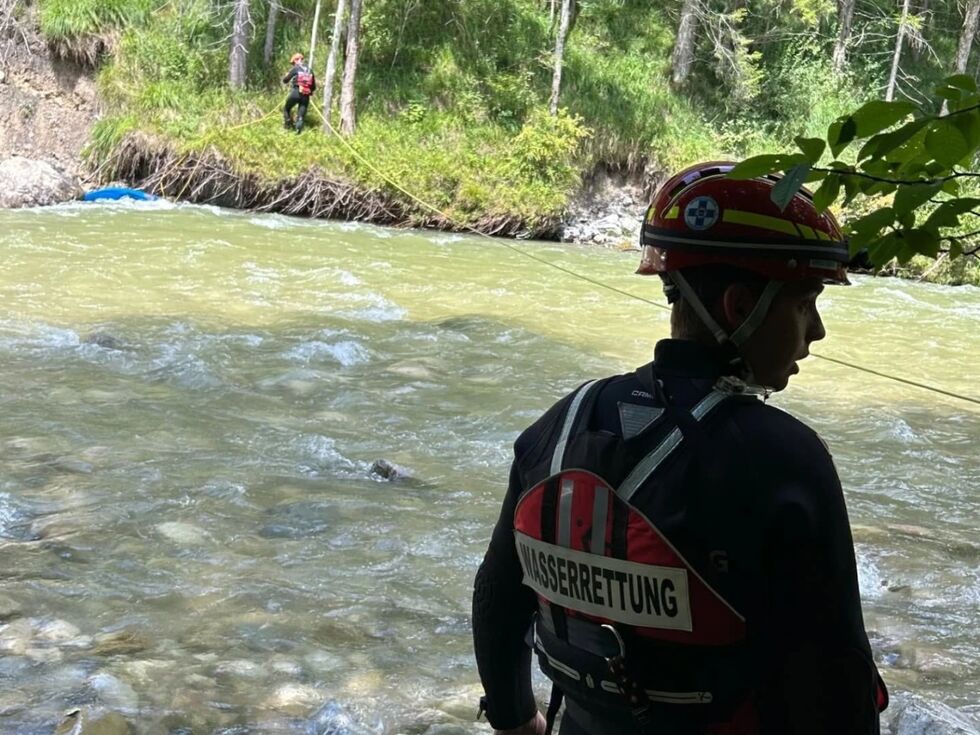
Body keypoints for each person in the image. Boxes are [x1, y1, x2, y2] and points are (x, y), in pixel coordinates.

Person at [472, 162, 889, 735]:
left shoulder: (562, 423)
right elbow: (838, 679)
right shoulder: (785, 459)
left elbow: (499, 595)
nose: (816, 332)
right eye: (805, 303)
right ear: (741, 308)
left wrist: (515, 718)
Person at [282, 52, 316, 134]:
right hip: (306, 95)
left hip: (296, 92)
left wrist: (287, 76)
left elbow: (285, 80)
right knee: (301, 116)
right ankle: (298, 132)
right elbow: (313, 86)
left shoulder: (296, 68)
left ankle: (288, 125)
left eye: (293, 63)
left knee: (286, 108)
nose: (293, 64)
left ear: (296, 61)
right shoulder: (310, 70)